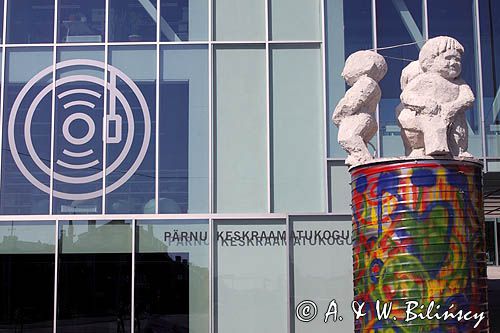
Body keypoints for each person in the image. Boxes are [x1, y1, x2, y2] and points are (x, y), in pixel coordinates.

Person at [400, 36, 475, 157]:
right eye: (448, 58)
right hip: (431, 114)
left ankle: (459, 149)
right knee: (433, 123)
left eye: (457, 59)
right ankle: (436, 147)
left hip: (454, 117)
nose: (453, 63)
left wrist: (453, 107)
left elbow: (469, 98)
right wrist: (424, 104)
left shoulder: (460, 82)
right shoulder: (425, 78)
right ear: (431, 60)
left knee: (458, 130)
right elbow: (406, 95)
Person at [333, 50, 387, 166]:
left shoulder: (366, 82)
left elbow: (352, 103)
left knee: (346, 137)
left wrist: (337, 115)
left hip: (360, 118)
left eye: (349, 65)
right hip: (366, 120)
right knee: (355, 140)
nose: (343, 73)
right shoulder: (369, 84)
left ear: (368, 66)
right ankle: (356, 158)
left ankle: (363, 160)